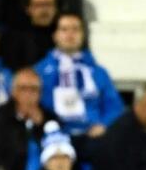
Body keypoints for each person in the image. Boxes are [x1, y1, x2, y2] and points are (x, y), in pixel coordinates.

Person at [33, 12, 124, 140]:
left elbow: (114, 106)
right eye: (64, 29)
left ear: (83, 35)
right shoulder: (39, 71)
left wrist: (103, 125)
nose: (70, 35)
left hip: (92, 136)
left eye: (76, 29)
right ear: (55, 35)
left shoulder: (98, 72)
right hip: (52, 135)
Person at [0, 67, 59, 170]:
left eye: (34, 89)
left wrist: (40, 126)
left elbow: (59, 154)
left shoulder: (50, 119)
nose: (28, 94)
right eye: (23, 88)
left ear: (40, 93)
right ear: (13, 91)